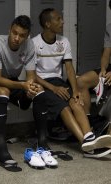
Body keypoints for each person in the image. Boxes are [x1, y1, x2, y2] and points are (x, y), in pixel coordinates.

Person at [0, 15, 55, 171]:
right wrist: (22, 85)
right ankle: (1, 147)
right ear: (9, 30)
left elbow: (31, 76)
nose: (17, 38)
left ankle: (42, 144)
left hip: (13, 81)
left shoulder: (30, 45)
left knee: (39, 91)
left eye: (22, 35)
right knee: (2, 90)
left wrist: (31, 87)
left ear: (27, 36)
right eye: (15, 33)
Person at [32, 8, 111, 158]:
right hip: (43, 84)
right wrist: (53, 88)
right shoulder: (34, 43)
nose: (62, 21)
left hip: (58, 82)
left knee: (76, 102)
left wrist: (75, 91)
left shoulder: (64, 41)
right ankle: (87, 148)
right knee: (65, 108)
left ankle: (89, 137)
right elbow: (32, 75)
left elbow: (69, 69)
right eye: (58, 19)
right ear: (48, 24)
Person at [77, 0, 111, 134]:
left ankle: (109, 135)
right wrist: (103, 69)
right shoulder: (110, 27)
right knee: (81, 81)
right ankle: (89, 126)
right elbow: (106, 53)